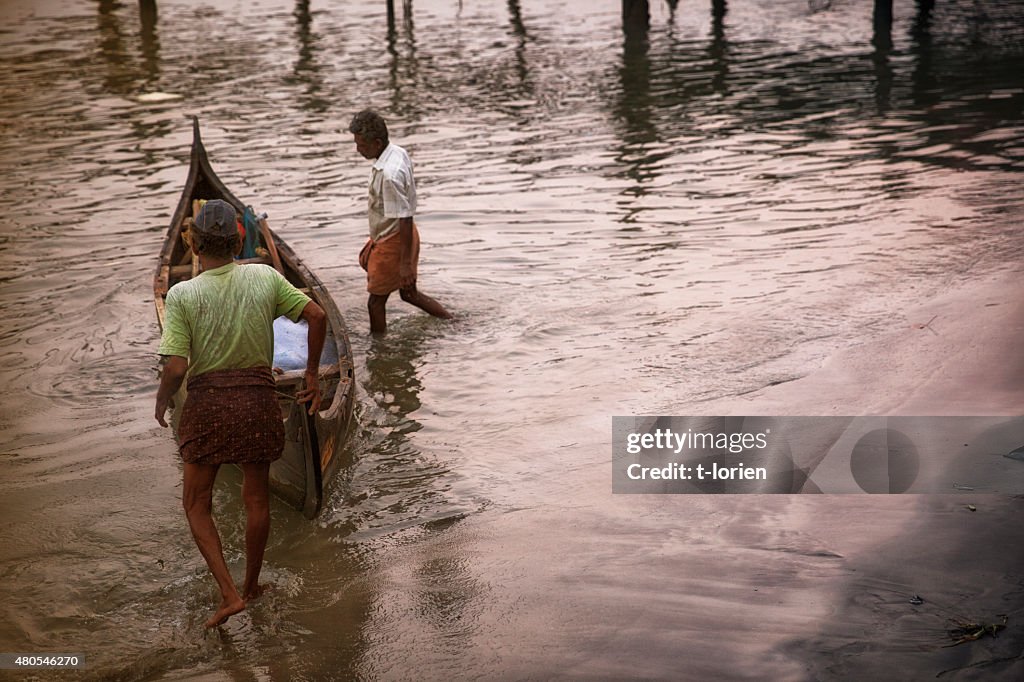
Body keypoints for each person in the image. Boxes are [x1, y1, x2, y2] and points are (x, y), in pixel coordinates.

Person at [154, 199, 326, 628]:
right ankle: (251, 586)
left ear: (193, 246)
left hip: (208, 406)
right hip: (257, 402)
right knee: (256, 498)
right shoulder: (264, 276)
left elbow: (176, 367)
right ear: (239, 240)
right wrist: (311, 376)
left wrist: (161, 399)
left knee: (196, 504)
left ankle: (230, 595)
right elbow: (317, 315)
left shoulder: (182, 294)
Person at [348, 109, 452, 334]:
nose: (358, 150)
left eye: (361, 145)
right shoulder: (397, 152)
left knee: (375, 303)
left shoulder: (388, 174)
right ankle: (451, 321)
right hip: (400, 235)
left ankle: (379, 350)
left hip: (394, 241)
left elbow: (404, 217)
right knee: (409, 294)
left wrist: (404, 264)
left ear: (376, 143)